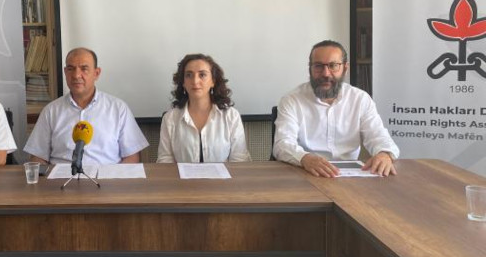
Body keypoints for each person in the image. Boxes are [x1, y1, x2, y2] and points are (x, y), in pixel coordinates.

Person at [24, 47, 148, 257]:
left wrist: (114, 186)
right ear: (65, 72)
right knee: (63, 253)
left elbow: (132, 157)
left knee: (108, 253)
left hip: (108, 191)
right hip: (61, 192)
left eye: (83, 68)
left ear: (96, 73)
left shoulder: (117, 108)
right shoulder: (52, 111)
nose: (76, 74)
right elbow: (37, 158)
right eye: (70, 68)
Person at [273, 40, 399, 177]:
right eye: (318, 66)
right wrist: (305, 158)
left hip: (351, 177)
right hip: (306, 173)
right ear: (310, 69)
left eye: (333, 66)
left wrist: (384, 154)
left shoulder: (360, 99)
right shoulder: (292, 100)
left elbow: (379, 137)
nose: (326, 73)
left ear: (345, 68)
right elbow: (282, 144)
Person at [158, 53, 251, 163]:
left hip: (225, 175)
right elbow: (165, 161)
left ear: (213, 81)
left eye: (202, 75)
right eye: (189, 75)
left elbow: (240, 160)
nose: (195, 81)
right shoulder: (170, 118)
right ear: (183, 82)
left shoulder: (231, 116)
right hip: (181, 175)